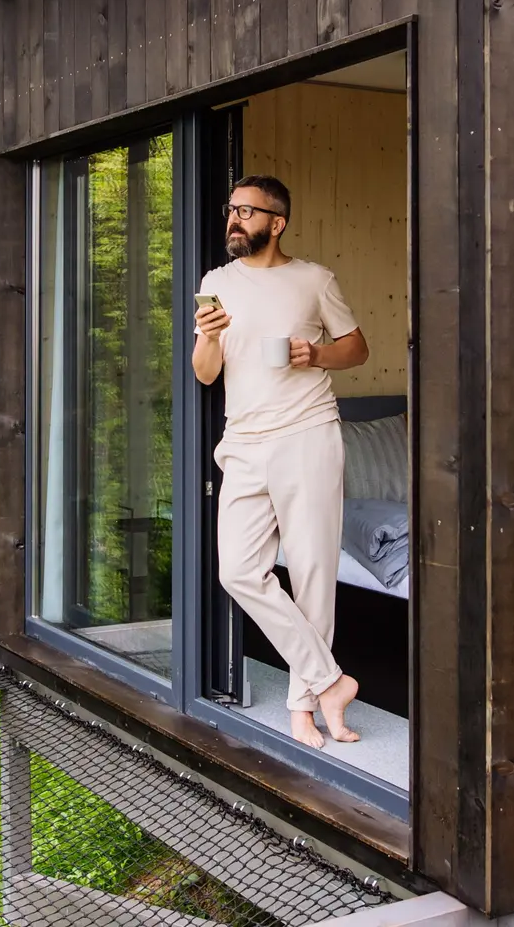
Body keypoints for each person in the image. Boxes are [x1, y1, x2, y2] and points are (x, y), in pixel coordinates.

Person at [192, 175, 369, 748]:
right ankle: (329, 681)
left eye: (247, 211)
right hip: (242, 441)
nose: (234, 219)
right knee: (238, 570)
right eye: (231, 209)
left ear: (277, 222)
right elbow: (206, 372)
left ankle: (307, 710)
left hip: (307, 435)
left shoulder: (314, 280)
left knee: (315, 572)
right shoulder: (215, 282)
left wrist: (314, 353)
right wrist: (209, 337)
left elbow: (357, 347)